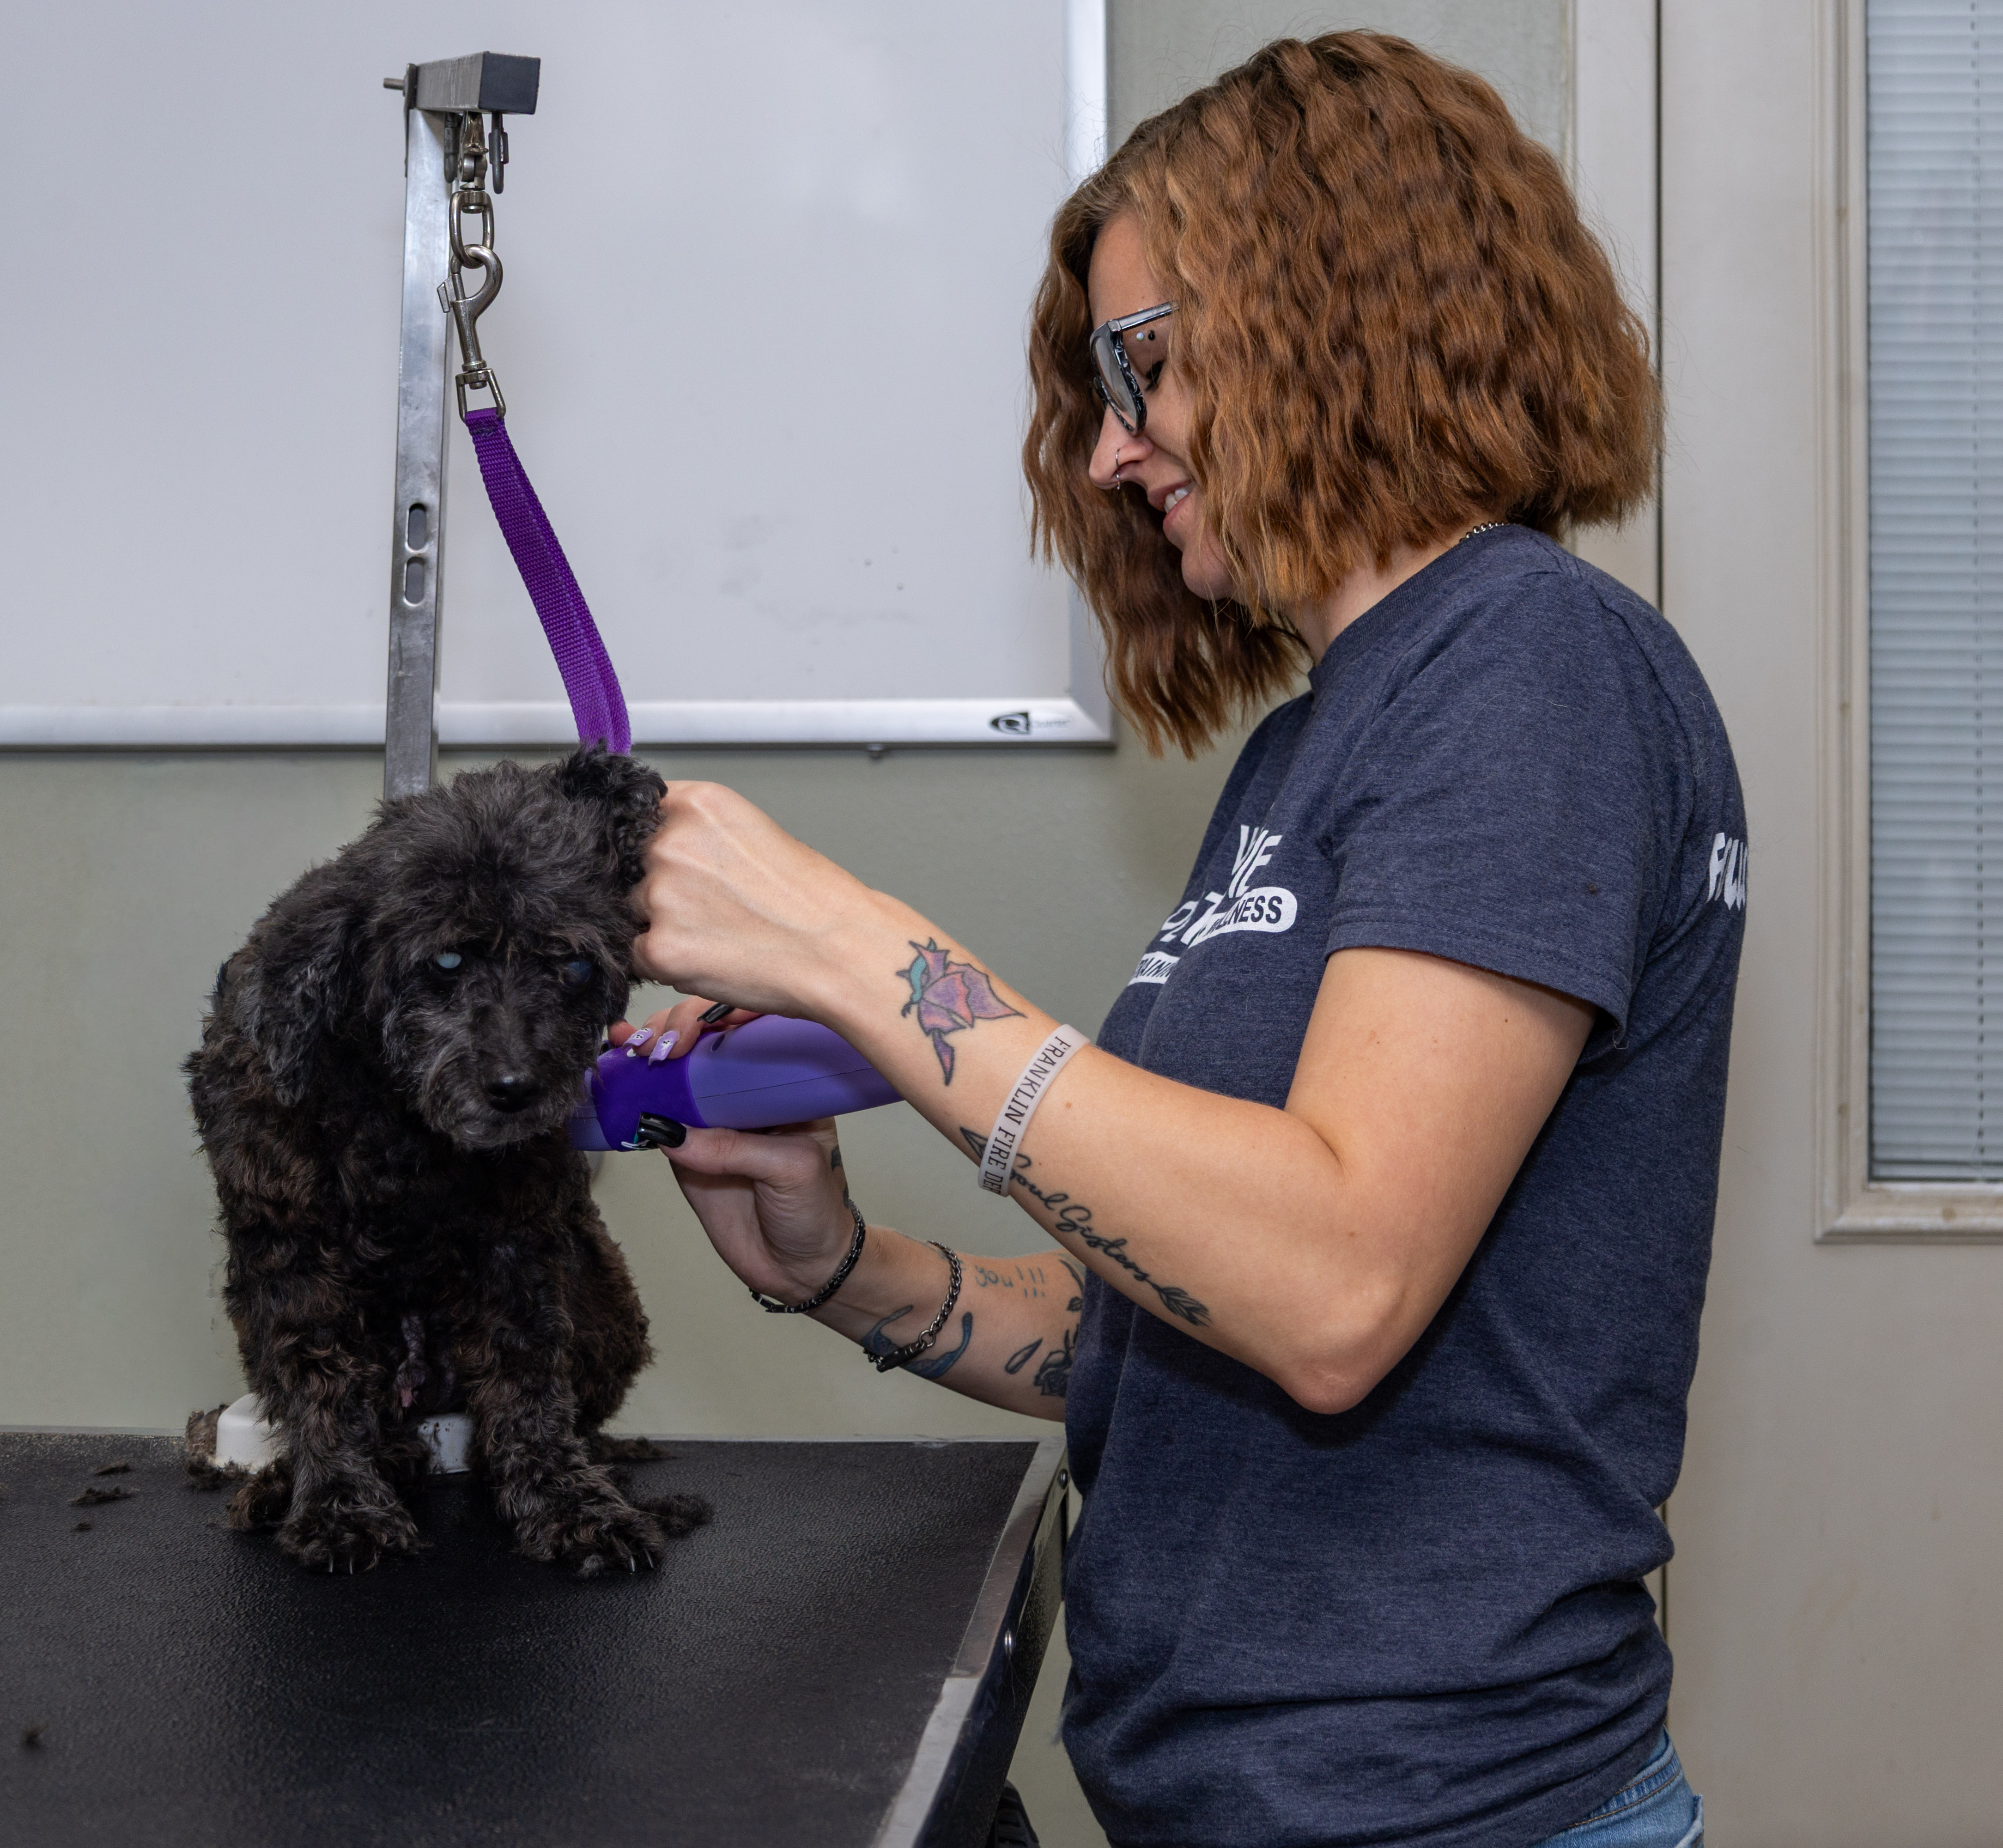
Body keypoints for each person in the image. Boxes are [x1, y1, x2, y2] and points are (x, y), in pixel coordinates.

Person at [614, 32, 1737, 1848]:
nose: (1122, 449)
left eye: (1143, 367)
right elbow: (1181, 1330)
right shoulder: (1321, 742)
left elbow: (1332, 1288)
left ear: (1326, 315)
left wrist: (843, 943)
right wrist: (850, 1272)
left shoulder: (1535, 668)